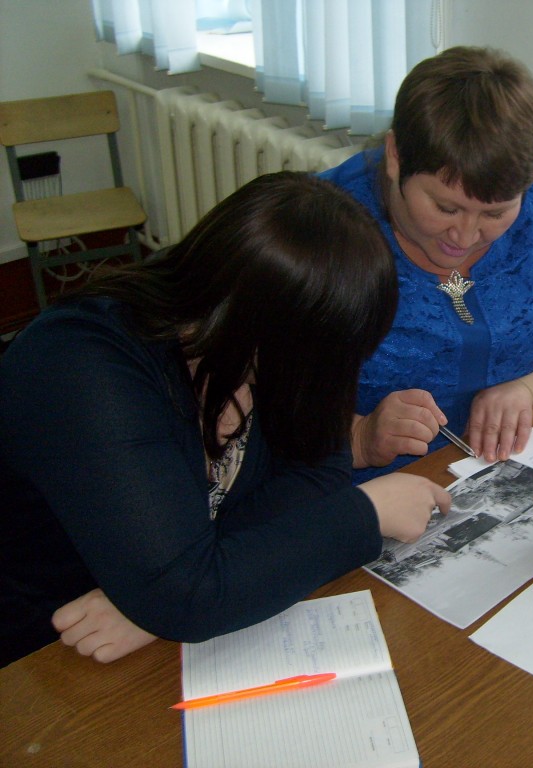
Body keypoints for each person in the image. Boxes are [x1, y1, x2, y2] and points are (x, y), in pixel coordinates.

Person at [0, 172, 451, 668]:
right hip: (44, 643)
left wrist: (195, 583)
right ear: (257, 327)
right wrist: (364, 514)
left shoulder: (271, 328)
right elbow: (187, 596)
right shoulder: (81, 365)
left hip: (140, 616)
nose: (334, 378)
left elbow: (320, 467)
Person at [319, 46, 533, 480]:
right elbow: (242, 401)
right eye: (445, 208)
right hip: (357, 485)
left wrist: (528, 386)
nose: (465, 237)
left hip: (512, 461)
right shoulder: (319, 226)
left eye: (495, 213)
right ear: (395, 156)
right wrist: (359, 435)